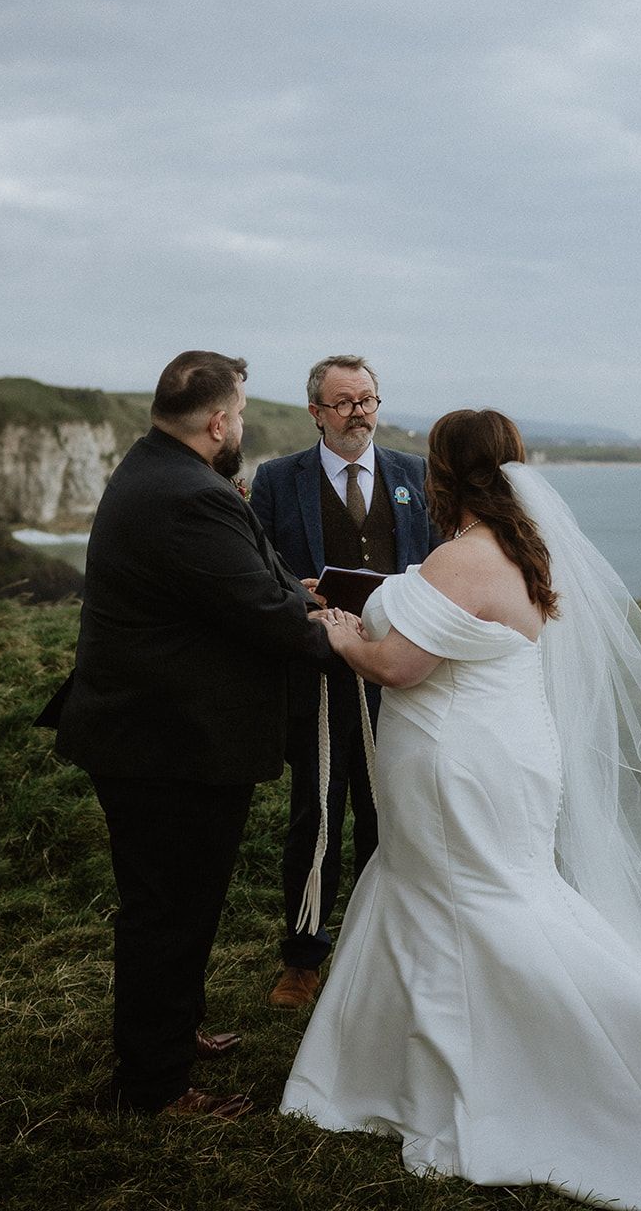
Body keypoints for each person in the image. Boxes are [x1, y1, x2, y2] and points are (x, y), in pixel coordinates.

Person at [282, 408, 641, 1208]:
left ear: (446, 475)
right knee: (489, 894)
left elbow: (402, 667)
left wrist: (347, 634)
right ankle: (406, 1064)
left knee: (476, 905)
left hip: (457, 763)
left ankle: (549, 1061)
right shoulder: (526, 549)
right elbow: (453, 617)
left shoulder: (460, 558)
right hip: (511, 753)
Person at [38, 351, 351, 1121]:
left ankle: (171, 1035)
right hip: (168, 743)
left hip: (149, 732)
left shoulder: (155, 470)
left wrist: (295, 591)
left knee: (172, 906)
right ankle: (154, 1087)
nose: (241, 427)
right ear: (217, 423)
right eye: (240, 415)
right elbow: (258, 616)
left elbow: (234, 582)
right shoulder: (188, 496)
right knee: (169, 912)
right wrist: (335, 631)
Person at [250, 354, 437, 1009]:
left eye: (368, 400)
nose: (359, 412)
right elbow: (256, 565)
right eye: (345, 402)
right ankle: (303, 958)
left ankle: (389, 947)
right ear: (316, 413)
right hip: (320, 674)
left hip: (400, 675)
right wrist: (294, 593)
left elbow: (441, 563)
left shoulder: (416, 475)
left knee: (394, 813)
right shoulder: (277, 480)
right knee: (319, 815)